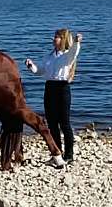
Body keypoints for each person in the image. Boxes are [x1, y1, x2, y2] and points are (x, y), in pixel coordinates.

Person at [25, 29, 82, 165]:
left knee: (64, 123)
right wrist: (31, 66)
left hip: (62, 88)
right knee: (52, 123)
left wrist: (76, 42)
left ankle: (69, 155)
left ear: (62, 39)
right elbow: (40, 71)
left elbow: (75, 51)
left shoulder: (67, 55)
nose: (53, 39)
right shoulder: (49, 56)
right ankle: (57, 154)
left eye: (56, 37)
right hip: (49, 88)